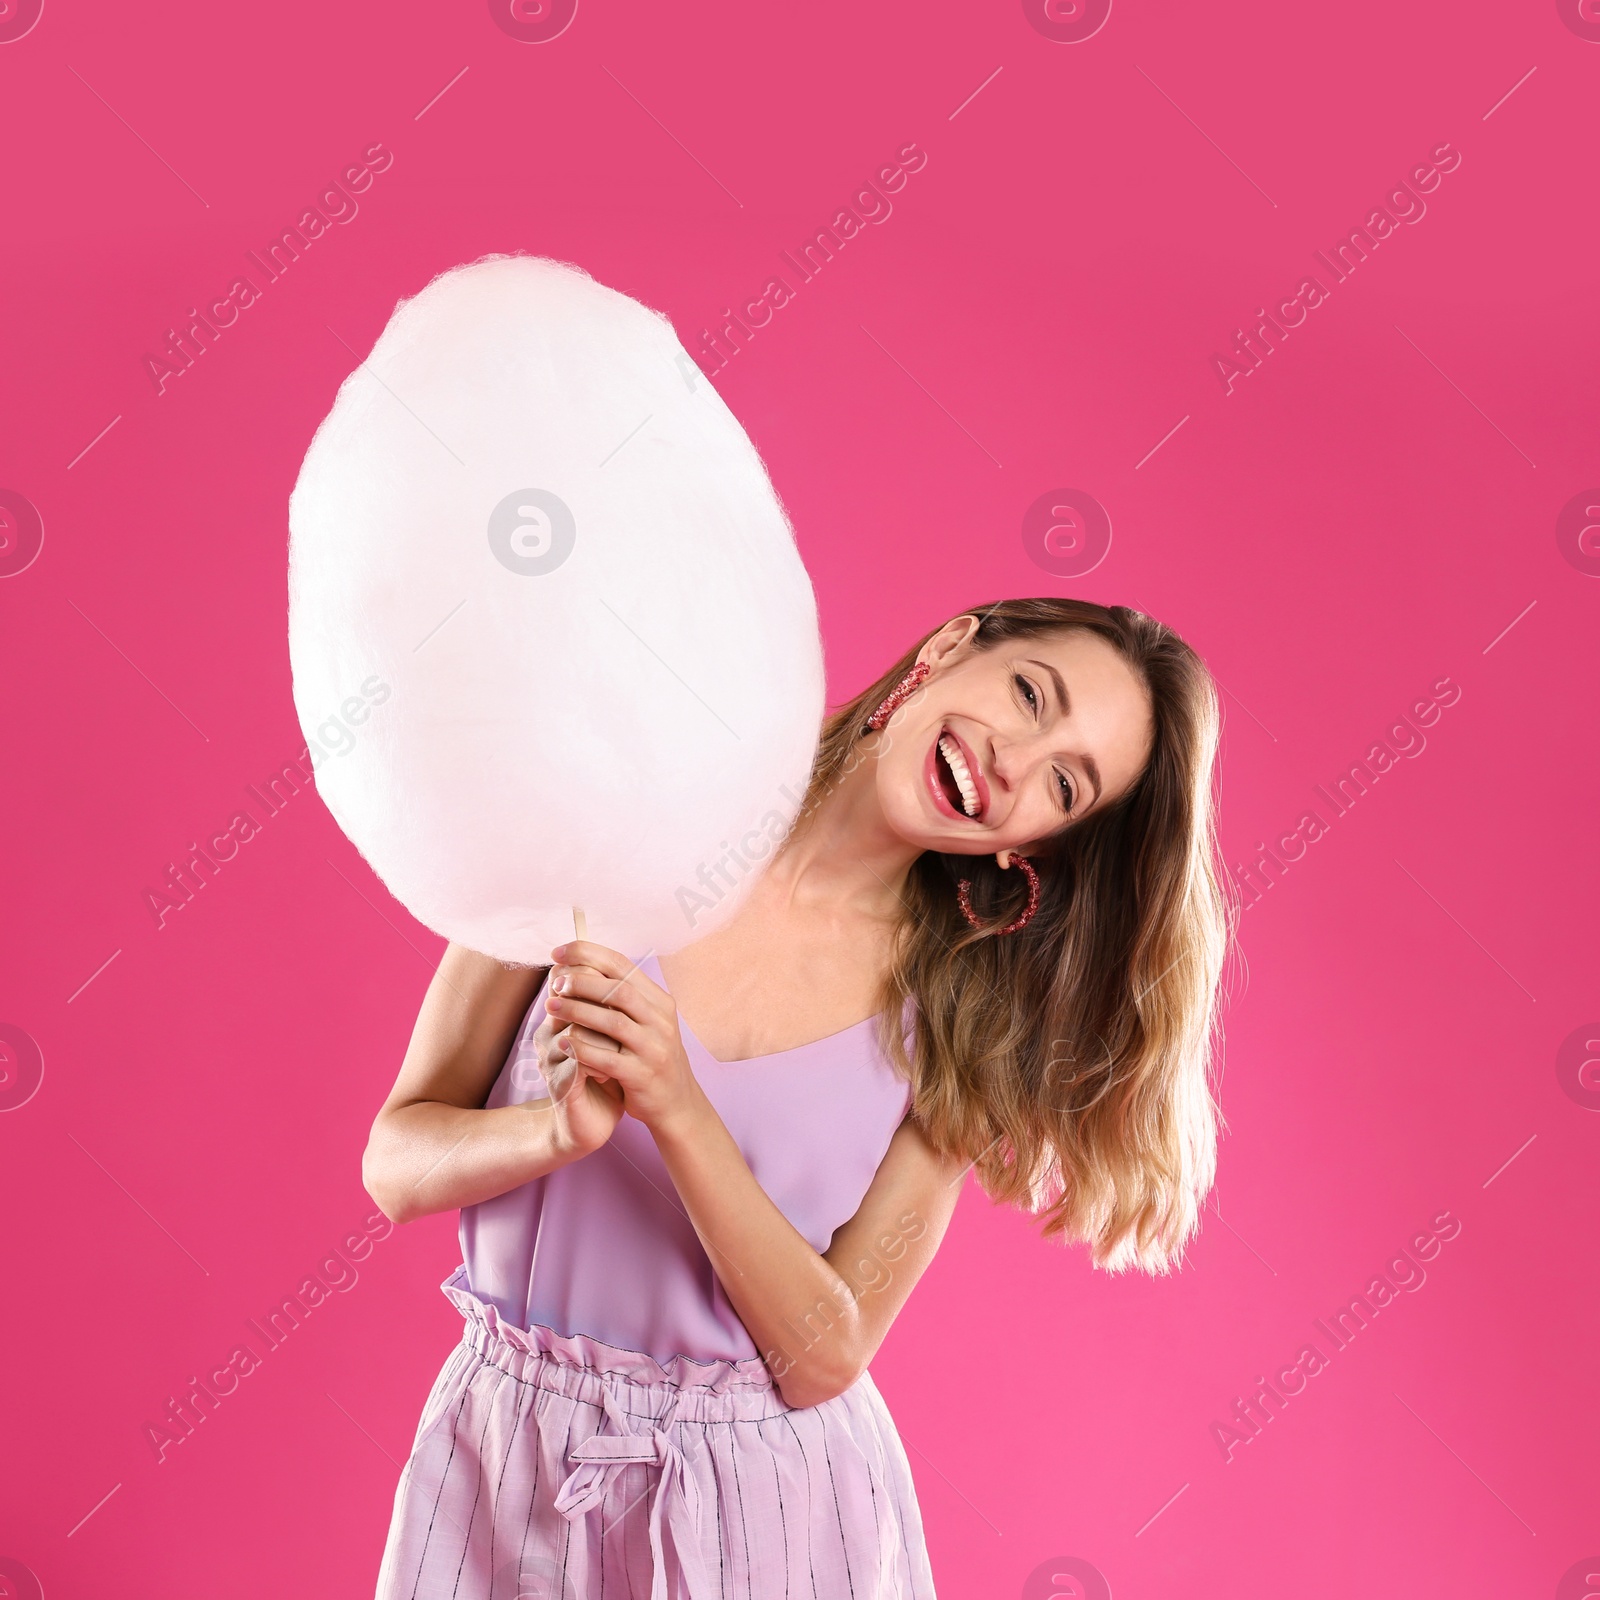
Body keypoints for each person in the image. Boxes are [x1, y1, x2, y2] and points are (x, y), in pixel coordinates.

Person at [363, 597, 1232, 1599]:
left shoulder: (957, 1029)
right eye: (1030, 695)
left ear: (1033, 845)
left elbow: (828, 1353)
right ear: (953, 645)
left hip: (762, 1510)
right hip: (501, 1458)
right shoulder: (609, 829)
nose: (1011, 764)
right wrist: (550, 1132)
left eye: (1063, 784)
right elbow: (395, 1163)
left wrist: (678, 1110)